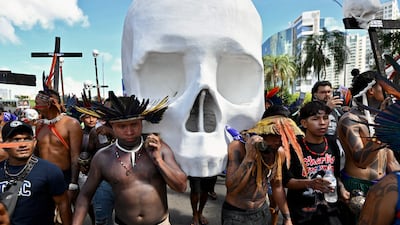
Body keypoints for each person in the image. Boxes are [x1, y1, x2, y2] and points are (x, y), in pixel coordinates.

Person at [73, 92, 187, 225]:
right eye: (122, 126)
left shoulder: (159, 148)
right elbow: (85, 196)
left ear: (141, 123)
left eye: (134, 124)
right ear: (112, 126)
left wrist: (158, 161)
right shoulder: (103, 158)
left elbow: (181, 186)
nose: (129, 131)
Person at [222, 105, 304, 225]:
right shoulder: (239, 147)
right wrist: (250, 156)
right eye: (275, 134)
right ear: (264, 131)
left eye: (284, 136)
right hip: (237, 215)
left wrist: (287, 217)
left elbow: (277, 186)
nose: (280, 140)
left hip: (262, 211)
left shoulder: (279, 152)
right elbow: (232, 188)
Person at [337, 70, 400, 223]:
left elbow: (390, 162)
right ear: (371, 90)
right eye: (384, 88)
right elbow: (361, 160)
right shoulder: (349, 120)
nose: (389, 93)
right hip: (357, 186)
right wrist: (381, 128)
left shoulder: (378, 120)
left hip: (383, 184)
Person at [283, 101, 350, 225]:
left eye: (325, 118)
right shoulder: (294, 148)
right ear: (304, 123)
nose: (322, 123)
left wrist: (342, 189)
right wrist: (310, 183)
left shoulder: (333, 143)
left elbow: (336, 175)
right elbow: (287, 182)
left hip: (330, 210)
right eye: (315, 119)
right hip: (303, 213)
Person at [0, 120, 72, 224]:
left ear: (34, 142)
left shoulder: (50, 171)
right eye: (16, 140)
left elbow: (63, 205)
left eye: (27, 139)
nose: (23, 145)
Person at [34, 89, 83, 202]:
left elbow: (75, 156)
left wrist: (73, 184)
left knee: (64, 216)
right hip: (43, 178)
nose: (35, 107)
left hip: (64, 177)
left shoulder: (71, 124)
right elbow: (37, 154)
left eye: (37, 104)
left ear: (50, 103)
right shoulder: (39, 125)